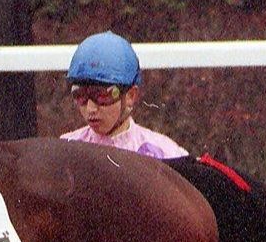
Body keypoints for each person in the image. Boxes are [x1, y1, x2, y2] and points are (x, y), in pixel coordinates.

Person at [60, 31, 188, 160]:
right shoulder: (64, 151)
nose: (90, 109)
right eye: (80, 95)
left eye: (102, 95)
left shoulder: (166, 154)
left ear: (130, 96)